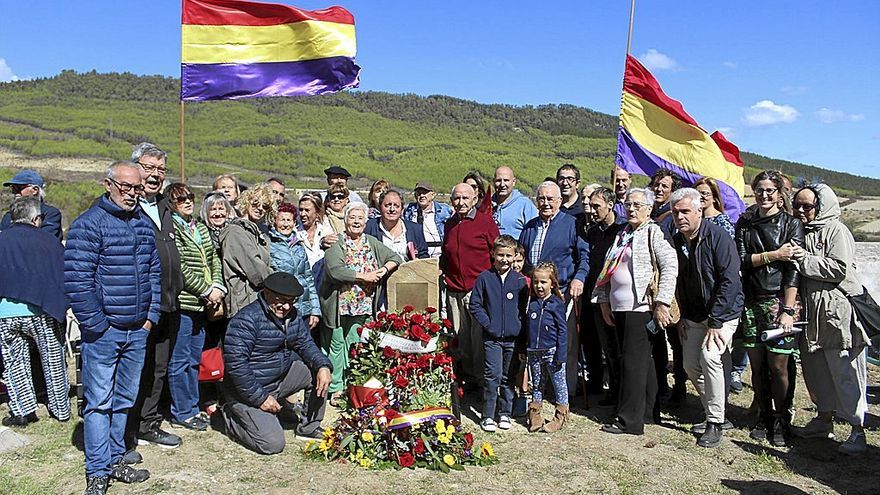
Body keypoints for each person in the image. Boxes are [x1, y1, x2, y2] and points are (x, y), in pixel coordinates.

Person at [65, 161, 160, 494]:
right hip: (105, 331)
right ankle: (97, 470)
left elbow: (153, 273)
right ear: (108, 184)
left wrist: (150, 317)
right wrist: (97, 324)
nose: (132, 194)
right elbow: (78, 280)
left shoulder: (144, 225)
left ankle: (117, 458)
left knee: (124, 399)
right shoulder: (89, 225)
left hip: (137, 329)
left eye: (138, 188)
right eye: (126, 187)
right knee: (99, 402)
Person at [790, 184, 870, 455]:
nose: (801, 211)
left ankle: (857, 430)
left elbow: (838, 268)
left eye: (807, 206)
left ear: (821, 207)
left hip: (837, 314)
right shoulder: (799, 232)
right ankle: (823, 420)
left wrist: (803, 260)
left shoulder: (837, 231)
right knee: (816, 371)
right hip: (812, 317)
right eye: (797, 205)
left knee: (845, 372)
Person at [594, 188, 678, 436]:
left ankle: (629, 420)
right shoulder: (624, 233)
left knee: (632, 362)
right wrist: (603, 300)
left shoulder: (653, 231)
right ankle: (647, 411)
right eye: (628, 205)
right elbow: (607, 269)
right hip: (620, 307)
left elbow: (670, 266)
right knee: (643, 362)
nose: (631, 209)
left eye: (637, 205)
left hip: (640, 307)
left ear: (649, 208)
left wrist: (662, 302)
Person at [221, 272, 332, 454]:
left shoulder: (293, 316)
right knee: (272, 444)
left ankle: (309, 428)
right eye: (281, 300)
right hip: (247, 390)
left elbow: (305, 343)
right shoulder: (246, 320)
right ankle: (230, 416)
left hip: (278, 379)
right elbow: (237, 365)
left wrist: (323, 365)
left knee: (319, 373)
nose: (286, 306)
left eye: (291, 301)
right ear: (266, 293)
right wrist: (261, 398)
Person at [734, 169, 804, 447]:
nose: (764, 195)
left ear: (779, 193)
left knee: (779, 366)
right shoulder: (746, 222)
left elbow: (792, 270)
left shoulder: (790, 224)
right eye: (759, 190)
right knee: (757, 365)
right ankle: (763, 416)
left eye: (769, 190)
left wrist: (787, 309)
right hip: (751, 300)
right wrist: (774, 254)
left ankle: (782, 419)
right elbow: (741, 260)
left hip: (779, 301)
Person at [670, 188, 744, 448]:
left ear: (699, 209)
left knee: (711, 358)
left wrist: (716, 321)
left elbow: (730, 280)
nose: (680, 217)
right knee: (691, 364)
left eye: (685, 211)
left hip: (722, 313)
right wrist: (680, 315)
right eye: (676, 212)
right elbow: (679, 280)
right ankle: (717, 409)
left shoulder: (718, 237)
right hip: (693, 315)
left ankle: (714, 421)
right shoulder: (677, 240)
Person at [128, 143, 184, 455]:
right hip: (138, 306)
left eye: (161, 170)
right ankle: (125, 431)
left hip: (169, 303)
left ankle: (149, 424)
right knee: (135, 368)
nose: (155, 175)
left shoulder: (164, 206)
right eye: (150, 168)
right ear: (135, 167)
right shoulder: (125, 206)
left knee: (159, 368)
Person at [319, 202, 402, 404]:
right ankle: (336, 387)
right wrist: (365, 276)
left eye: (360, 218)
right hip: (338, 304)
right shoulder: (336, 242)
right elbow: (335, 271)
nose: (356, 221)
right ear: (345, 220)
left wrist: (382, 271)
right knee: (336, 344)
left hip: (362, 304)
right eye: (352, 217)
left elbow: (394, 257)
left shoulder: (371, 242)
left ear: (366, 221)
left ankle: (352, 384)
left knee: (354, 344)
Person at [0, 196, 70, 427]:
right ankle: (61, 410)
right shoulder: (49, 241)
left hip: (6, 311)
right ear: (37, 218)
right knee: (53, 361)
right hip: (43, 310)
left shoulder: (2, 240)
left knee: (14, 362)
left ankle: (22, 411)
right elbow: (64, 275)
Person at [519, 181, 589, 396]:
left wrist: (579, 278)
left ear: (559, 200)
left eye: (550, 199)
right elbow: (523, 258)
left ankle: (565, 390)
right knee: (537, 337)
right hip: (535, 292)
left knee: (563, 340)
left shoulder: (571, 224)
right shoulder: (530, 226)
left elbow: (584, 256)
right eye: (541, 199)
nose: (546, 203)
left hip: (562, 292)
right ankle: (538, 387)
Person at [166, 183, 226, 431]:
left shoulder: (199, 226)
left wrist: (218, 287)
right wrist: (205, 289)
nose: (188, 202)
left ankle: (193, 405)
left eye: (190, 197)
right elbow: (180, 266)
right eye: (181, 200)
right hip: (185, 302)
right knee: (179, 359)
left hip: (204, 304)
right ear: (172, 204)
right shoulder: (173, 228)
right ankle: (181, 410)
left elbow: (213, 259)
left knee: (193, 357)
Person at [441, 183, 500, 389]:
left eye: (465, 198)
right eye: (457, 198)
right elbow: (445, 255)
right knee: (460, 336)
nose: (461, 202)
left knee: (479, 338)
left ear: (474, 199)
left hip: (478, 290)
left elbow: (498, 253)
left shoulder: (485, 222)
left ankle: (484, 382)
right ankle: (467, 380)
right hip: (454, 290)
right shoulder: (449, 224)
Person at [469, 235, 528, 432]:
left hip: (513, 339)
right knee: (492, 376)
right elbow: (475, 305)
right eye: (500, 255)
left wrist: (520, 333)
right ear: (493, 254)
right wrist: (489, 325)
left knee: (508, 377)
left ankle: (505, 413)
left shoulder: (520, 281)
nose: (504, 259)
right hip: (492, 339)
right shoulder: (485, 278)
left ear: (515, 257)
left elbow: (523, 310)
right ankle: (487, 415)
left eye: (508, 255)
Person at [584, 187, 627, 406]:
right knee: (600, 344)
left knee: (615, 347)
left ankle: (619, 391)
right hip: (593, 295)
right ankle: (603, 386)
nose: (592, 211)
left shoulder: (622, 232)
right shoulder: (593, 231)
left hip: (613, 297)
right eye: (590, 206)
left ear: (610, 205)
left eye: (596, 206)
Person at [647, 169, 685, 402]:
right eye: (656, 185)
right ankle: (661, 385)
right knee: (656, 341)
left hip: (670, 289)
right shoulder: (648, 213)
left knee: (675, 340)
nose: (659, 189)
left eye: (665, 186)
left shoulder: (671, 218)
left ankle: (679, 387)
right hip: (650, 289)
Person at [524, 262, 569, 433]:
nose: (539, 286)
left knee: (559, 384)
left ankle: (561, 416)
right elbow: (526, 328)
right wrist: (524, 348)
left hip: (552, 351)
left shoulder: (556, 304)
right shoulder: (532, 303)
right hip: (534, 351)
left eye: (543, 282)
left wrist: (561, 354)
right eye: (536, 282)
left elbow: (563, 331)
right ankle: (535, 415)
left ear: (552, 283)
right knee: (537, 384)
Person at [219, 185, 275, 318]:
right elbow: (257, 272)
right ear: (246, 201)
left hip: (257, 301)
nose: (260, 208)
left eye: (265, 206)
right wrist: (278, 281)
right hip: (243, 305)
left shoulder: (259, 233)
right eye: (256, 203)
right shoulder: (236, 232)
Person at [269, 202, 321, 330]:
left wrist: (315, 310)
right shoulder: (269, 245)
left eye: (289, 220)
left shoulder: (299, 246)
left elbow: (308, 278)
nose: (286, 224)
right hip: (282, 307)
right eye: (282, 220)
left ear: (294, 223)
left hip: (304, 309)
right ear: (275, 221)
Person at [365, 189, 428, 261]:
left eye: (396, 206)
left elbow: (423, 255)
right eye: (387, 205)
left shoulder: (415, 229)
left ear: (402, 209)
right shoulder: (368, 227)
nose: (392, 209)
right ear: (380, 207)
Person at [1, 169, 63, 240]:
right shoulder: (9, 215)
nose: (15, 192)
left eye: (18, 188)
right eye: (12, 188)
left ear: (35, 190)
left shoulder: (50, 214)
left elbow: (46, 241)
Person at [404, 181, 453, 259]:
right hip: (417, 256)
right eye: (419, 193)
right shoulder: (409, 211)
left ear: (433, 195)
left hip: (440, 255)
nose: (422, 195)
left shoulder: (444, 210)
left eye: (425, 192)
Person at [492, 166, 538, 239]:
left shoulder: (525, 205)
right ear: (493, 181)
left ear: (513, 182)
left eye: (506, 180)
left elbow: (535, 232)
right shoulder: (487, 204)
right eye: (498, 180)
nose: (502, 184)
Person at [297, 193, 333, 268]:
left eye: (307, 210)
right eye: (300, 210)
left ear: (317, 213)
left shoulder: (326, 231)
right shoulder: (295, 232)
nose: (302, 214)